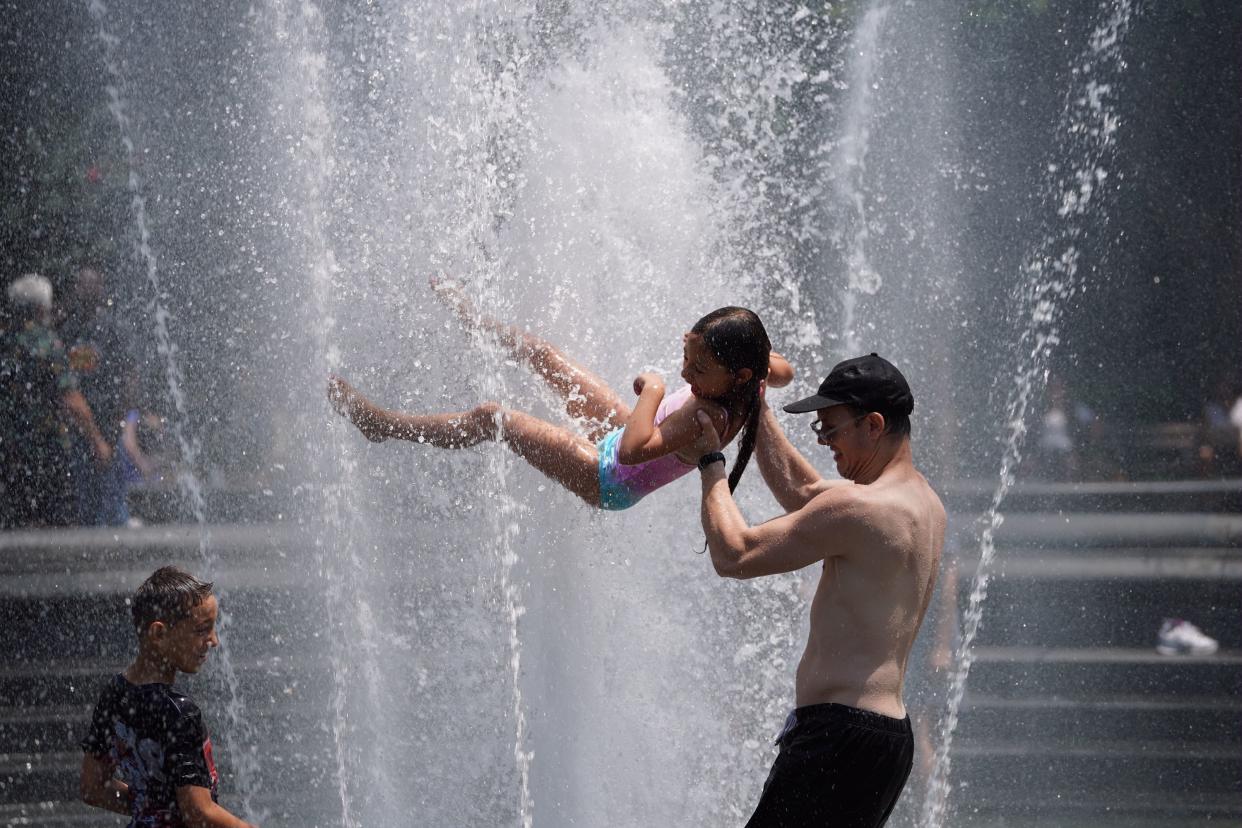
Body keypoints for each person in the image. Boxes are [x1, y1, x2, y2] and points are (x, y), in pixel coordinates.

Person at [691, 353, 945, 827]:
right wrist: (756, 408)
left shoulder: (862, 509)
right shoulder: (921, 503)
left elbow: (735, 554)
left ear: (873, 424)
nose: (826, 443)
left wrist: (709, 464)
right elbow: (802, 493)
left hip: (839, 737)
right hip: (883, 738)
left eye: (831, 430)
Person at [328, 289, 793, 510]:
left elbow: (632, 453)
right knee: (545, 355)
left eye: (697, 368)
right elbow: (784, 371)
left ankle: (383, 426)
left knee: (494, 419)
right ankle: (476, 323)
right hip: (620, 435)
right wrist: (764, 363)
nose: (683, 373)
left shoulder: (707, 416)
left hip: (607, 475)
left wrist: (653, 392)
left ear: (738, 374)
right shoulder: (749, 378)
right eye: (685, 357)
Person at [79, 566, 257, 827]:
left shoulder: (114, 694)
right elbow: (198, 812)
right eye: (201, 630)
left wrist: (149, 809)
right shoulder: (179, 712)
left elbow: (92, 788)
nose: (214, 640)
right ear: (159, 634)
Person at [0, 273, 111, 528]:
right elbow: (70, 398)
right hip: (44, 449)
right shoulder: (46, 344)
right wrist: (97, 440)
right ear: (41, 308)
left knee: (15, 526)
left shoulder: (4, 342)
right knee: (57, 529)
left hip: (9, 450)